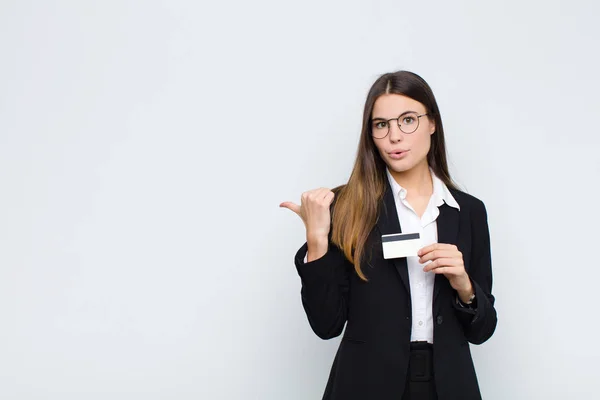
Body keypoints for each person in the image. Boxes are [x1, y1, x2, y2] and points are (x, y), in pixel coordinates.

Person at [280, 70, 497, 400]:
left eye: (408, 120)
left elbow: (482, 330)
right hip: (365, 383)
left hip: (448, 384)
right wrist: (317, 240)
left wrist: (464, 285)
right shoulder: (345, 207)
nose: (395, 136)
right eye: (381, 125)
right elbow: (326, 326)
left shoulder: (468, 211)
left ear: (432, 123)